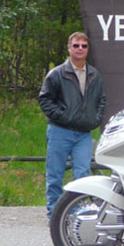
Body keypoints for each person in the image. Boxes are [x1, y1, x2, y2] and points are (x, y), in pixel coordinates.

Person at [38, 32, 106, 219]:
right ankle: (54, 214)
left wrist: (95, 119)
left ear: (87, 49)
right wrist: (63, 116)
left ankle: (79, 213)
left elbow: (101, 100)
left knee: (83, 175)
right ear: (69, 48)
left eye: (84, 46)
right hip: (60, 131)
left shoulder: (94, 75)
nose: (80, 49)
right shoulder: (57, 74)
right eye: (76, 45)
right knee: (55, 175)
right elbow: (44, 99)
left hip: (83, 133)